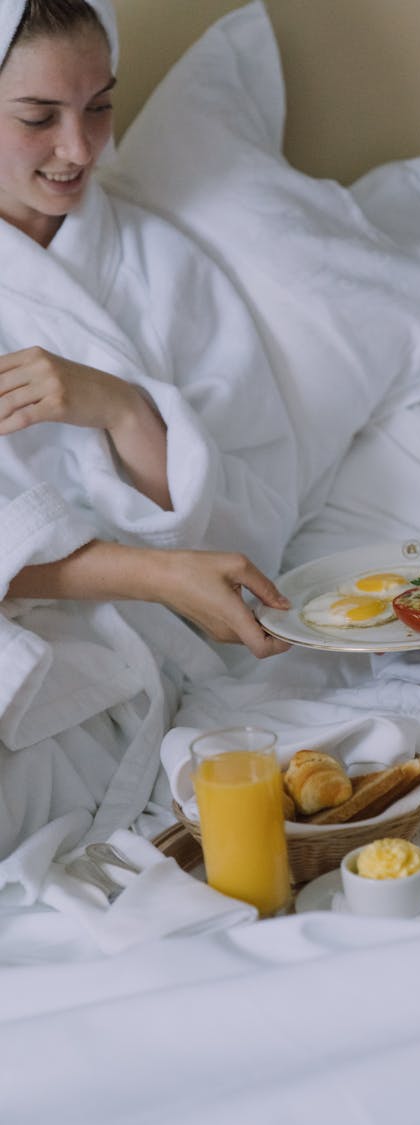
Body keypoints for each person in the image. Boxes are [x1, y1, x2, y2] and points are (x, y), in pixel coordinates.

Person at [0, 0, 298, 870]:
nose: (80, 149)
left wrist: (124, 407)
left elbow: (252, 532)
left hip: (121, 652)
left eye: (100, 106)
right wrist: (155, 571)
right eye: (38, 117)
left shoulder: (167, 269)